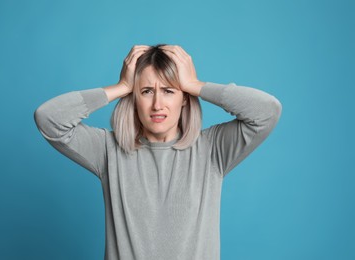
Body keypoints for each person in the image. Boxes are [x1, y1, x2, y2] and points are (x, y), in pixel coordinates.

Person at [34, 44, 282, 260]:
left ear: (184, 98)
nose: (157, 104)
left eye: (169, 90)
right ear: (134, 98)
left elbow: (267, 111)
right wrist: (121, 86)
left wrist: (195, 85)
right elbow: (49, 118)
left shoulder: (212, 149)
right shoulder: (109, 151)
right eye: (146, 91)